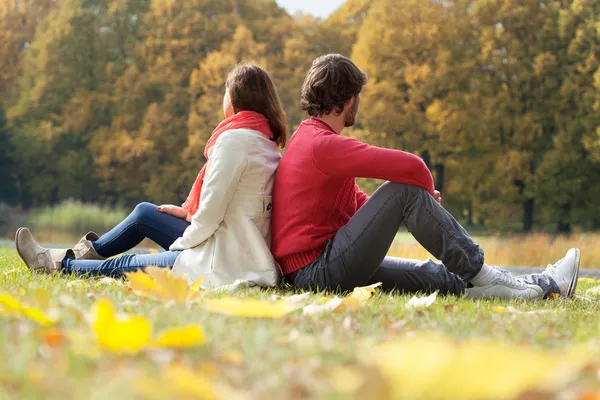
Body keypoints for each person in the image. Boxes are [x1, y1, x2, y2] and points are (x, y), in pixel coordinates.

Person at [271, 54, 580, 299]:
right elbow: (412, 167)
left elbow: (355, 203)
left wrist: (413, 211)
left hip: (319, 267)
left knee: (434, 276)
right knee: (404, 191)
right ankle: (482, 271)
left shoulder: (310, 140)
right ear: (351, 99)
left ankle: (548, 284)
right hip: (318, 271)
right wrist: (423, 194)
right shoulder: (322, 145)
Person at [15, 63, 288, 290]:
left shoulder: (234, 142)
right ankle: (72, 254)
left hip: (222, 262)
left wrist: (180, 248)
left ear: (235, 97)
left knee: (124, 265)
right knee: (146, 213)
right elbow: (238, 208)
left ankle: (54, 264)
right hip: (233, 247)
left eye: (225, 91)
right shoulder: (267, 144)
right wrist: (186, 216)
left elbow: (210, 218)